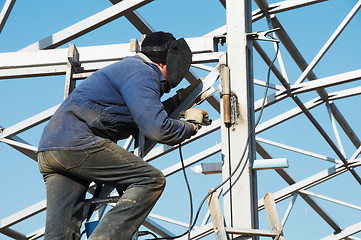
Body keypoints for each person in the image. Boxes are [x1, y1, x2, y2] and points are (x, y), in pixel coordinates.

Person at [37, 31, 208, 240]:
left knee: (59, 236)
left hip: (51, 148)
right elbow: (157, 128)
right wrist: (188, 127)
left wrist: (174, 102)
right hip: (78, 143)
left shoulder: (127, 70)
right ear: (165, 63)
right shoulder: (143, 72)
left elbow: (140, 113)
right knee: (150, 180)